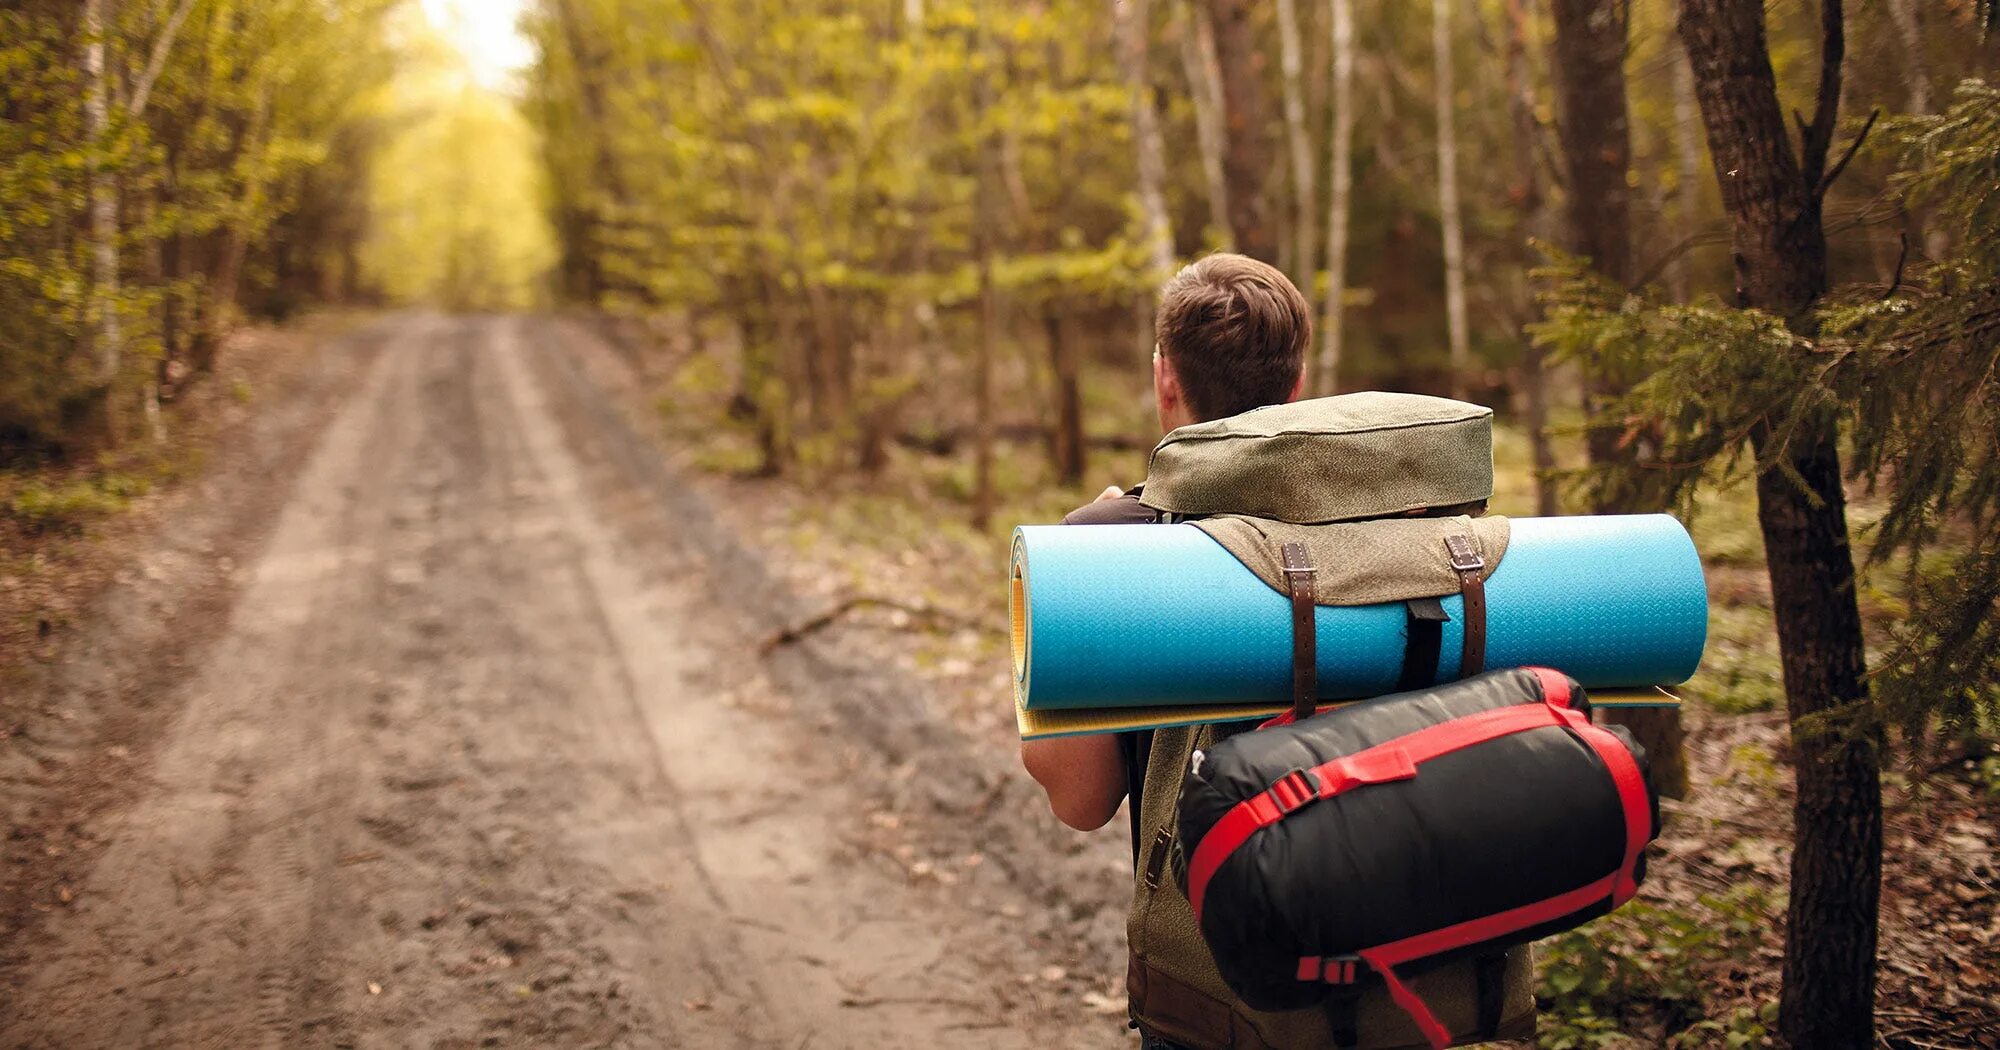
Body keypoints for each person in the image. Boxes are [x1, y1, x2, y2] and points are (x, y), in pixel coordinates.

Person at [1020, 252, 1310, 1048]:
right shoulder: (1386, 530)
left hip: (1207, 987)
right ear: (1297, 388)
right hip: (1389, 962)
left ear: (1165, 381)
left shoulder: (1108, 545)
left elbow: (1077, 801)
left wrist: (1078, 569)